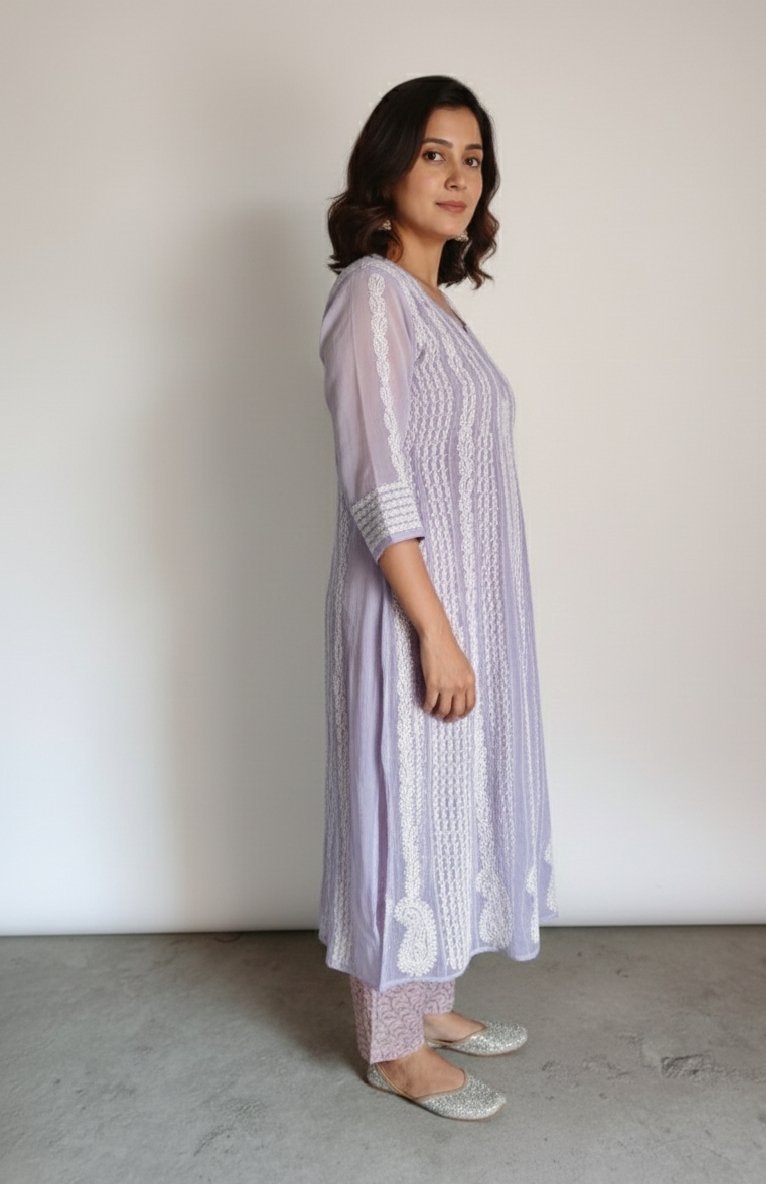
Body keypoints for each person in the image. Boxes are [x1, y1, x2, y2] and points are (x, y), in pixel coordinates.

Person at [317, 75, 558, 1121]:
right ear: (388, 168)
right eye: (433, 154)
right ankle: (391, 1047)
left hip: (460, 611)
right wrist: (432, 628)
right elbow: (378, 478)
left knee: (445, 803)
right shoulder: (371, 294)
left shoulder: (432, 304)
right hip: (408, 610)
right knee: (399, 813)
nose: (459, 177)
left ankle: (426, 1002)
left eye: (473, 158)